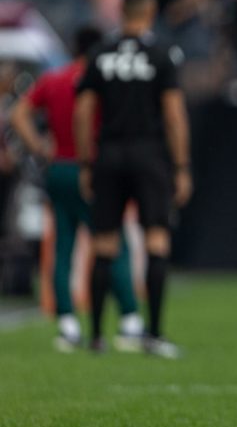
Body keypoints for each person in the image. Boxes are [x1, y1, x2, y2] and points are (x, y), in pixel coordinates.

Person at [73, 0, 192, 358]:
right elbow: (173, 115)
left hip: (109, 153)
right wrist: (182, 166)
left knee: (104, 244)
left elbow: (82, 111)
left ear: (121, 10)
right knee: (156, 239)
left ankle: (95, 336)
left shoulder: (101, 53)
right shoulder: (160, 55)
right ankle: (153, 334)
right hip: (149, 154)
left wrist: (86, 160)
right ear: (150, 11)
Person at [11, 27, 144, 352]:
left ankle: (67, 323)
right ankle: (129, 318)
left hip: (59, 168)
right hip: (94, 169)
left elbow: (19, 114)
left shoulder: (54, 79)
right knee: (114, 245)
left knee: (63, 248)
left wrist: (40, 147)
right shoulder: (103, 81)